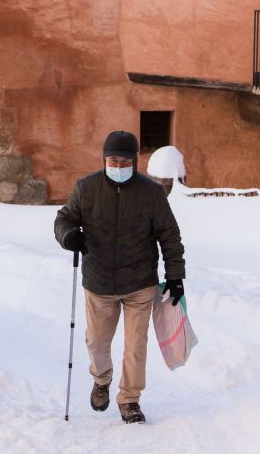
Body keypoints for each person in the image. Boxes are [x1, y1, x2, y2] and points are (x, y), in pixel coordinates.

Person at [54, 130, 186, 424]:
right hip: (99, 283)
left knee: (136, 345)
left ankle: (130, 400)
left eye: (125, 161)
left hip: (139, 283)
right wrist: (68, 236)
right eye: (113, 160)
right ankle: (101, 379)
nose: (118, 166)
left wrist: (175, 276)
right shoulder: (86, 189)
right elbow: (64, 219)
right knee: (97, 343)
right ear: (104, 160)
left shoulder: (150, 194)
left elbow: (170, 236)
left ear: (134, 162)